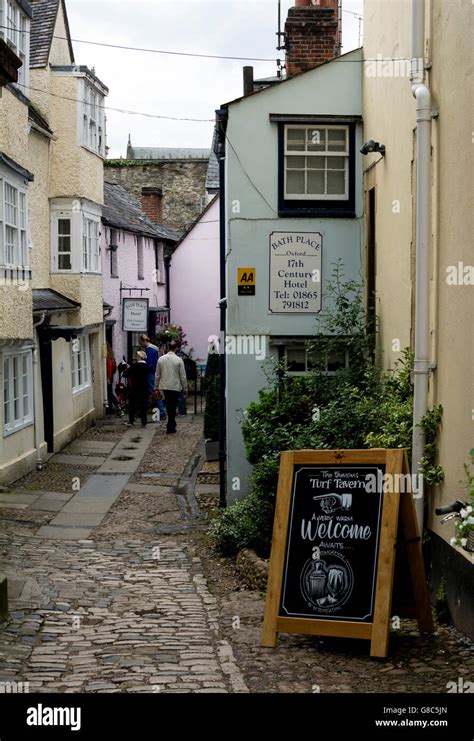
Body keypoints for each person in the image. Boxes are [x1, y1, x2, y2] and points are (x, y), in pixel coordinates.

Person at [155, 340, 187, 434]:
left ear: (168, 347)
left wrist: (156, 386)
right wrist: (185, 388)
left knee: (169, 405)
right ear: (176, 348)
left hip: (164, 385)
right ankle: (171, 425)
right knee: (173, 405)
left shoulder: (161, 359)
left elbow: (157, 374)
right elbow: (183, 376)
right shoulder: (179, 360)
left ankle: (171, 424)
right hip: (175, 386)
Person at [139, 334, 166, 420]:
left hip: (151, 374)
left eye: (141, 343)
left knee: (155, 393)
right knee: (151, 393)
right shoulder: (153, 349)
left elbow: (149, 364)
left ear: (144, 341)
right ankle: (143, 410)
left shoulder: (149, 350)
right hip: (154, 373)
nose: (141, 345)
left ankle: (161, 412)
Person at [126, 350, 151, 427]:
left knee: (132, 405)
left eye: (137, 356)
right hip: (144, 388)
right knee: (143, 406)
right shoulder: (147, 366)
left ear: (140, 357)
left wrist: (127, 368)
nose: (136, 357)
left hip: (135, 387)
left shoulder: (134, 366)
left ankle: (131, 421)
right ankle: (144, 423)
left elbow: (127, 373)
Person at [106, 342, 123, 417]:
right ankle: (111, 407)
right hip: (110, 377)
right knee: (109, 393)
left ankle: (117, 405)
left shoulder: (108, 356)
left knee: (109, 393)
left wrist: (108, 377)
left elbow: (109, 367)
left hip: (108, 377)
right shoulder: (111, 355)